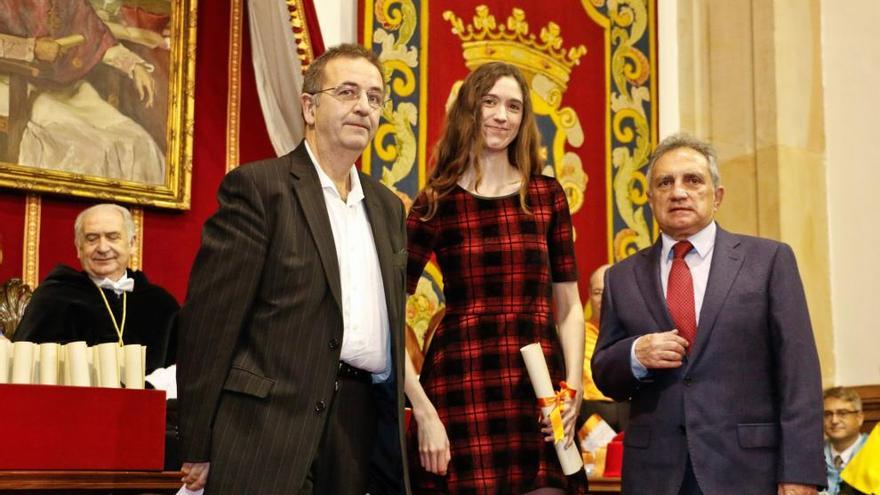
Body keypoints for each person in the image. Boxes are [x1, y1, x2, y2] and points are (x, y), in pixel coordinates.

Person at [176, 44, 409, 494]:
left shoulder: (387, 208)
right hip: (268, 428)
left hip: (358, 429)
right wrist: (197, 442)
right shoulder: (260, 189)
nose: (364, 106)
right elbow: (210, 324)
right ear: (309, 106)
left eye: (375, 97)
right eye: (347, 92)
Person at [591, 133, 825, 495]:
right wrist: (635, 355)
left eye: (693, 180)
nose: (678, 192)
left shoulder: (768, 261)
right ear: (650, 199)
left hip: (748, 471)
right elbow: (604, 372)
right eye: (665, 182)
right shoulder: (621, 277)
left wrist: (800, 474)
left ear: (717, 196)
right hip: (654, 474)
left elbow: (799, 375)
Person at [405, 61, 587, 494]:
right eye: (489, 102)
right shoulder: (436, 201)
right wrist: (423, 408)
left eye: (514, 106)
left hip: (538, 387)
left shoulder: (546, 196)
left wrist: (572, 390)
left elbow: (569, 307)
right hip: (461, 381)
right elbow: (388, 307)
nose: (501, 116)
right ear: (469, 108)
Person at [0, 0, 164, 184]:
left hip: (68, 90)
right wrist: (32, 48)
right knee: (90, 149)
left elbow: (99, 40)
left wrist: (134, 66)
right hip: (14, 86)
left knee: (140, 143)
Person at [14, 203, 177, 373]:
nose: (103, 248)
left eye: (113, 237)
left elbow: (184, 369)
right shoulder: (54, 297)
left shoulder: (161, 303)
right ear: (79, 248)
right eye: (92, 239)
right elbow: (27, 368)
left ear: (132, 243)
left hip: (150, 398)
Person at [580, 263, 629, 432]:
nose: (604, 299)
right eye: (597, 292)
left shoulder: (637, 334)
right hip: (589, 420)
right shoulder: (578, 335)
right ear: (589, 295)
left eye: (610, 291)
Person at [824, 387, 868, 495]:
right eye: (828, 414)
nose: (834, 420)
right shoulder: (812, 454)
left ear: (859, 418)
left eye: (842, 413)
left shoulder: (874, 452)